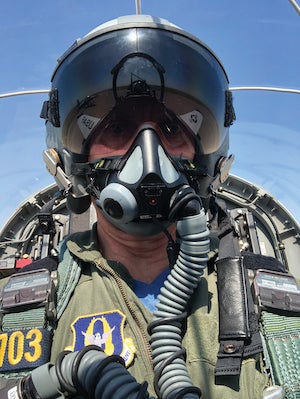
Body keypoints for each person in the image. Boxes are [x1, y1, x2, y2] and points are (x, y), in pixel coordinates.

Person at [0, 14, 299, 399]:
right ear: (73, 155)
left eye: (172, 130)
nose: (149, 156)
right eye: (119, 129)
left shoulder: (275, 304)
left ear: (207, 153)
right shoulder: (19, 309)